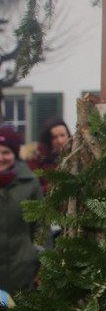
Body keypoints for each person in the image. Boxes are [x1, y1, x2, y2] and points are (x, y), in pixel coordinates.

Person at [0, 126, 45, 295]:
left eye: (6, 152)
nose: (1, 158)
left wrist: (42, 262)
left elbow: (41, 225)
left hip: (23, 269)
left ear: (14, 155)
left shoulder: (29, 183)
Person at [26, 117, 71, 195]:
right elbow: (32, 188)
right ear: (48, 139)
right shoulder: (37, 157)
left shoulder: (77, 154)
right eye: (54, 137)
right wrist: (54, 187)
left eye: (62, 135)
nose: (60, 141)